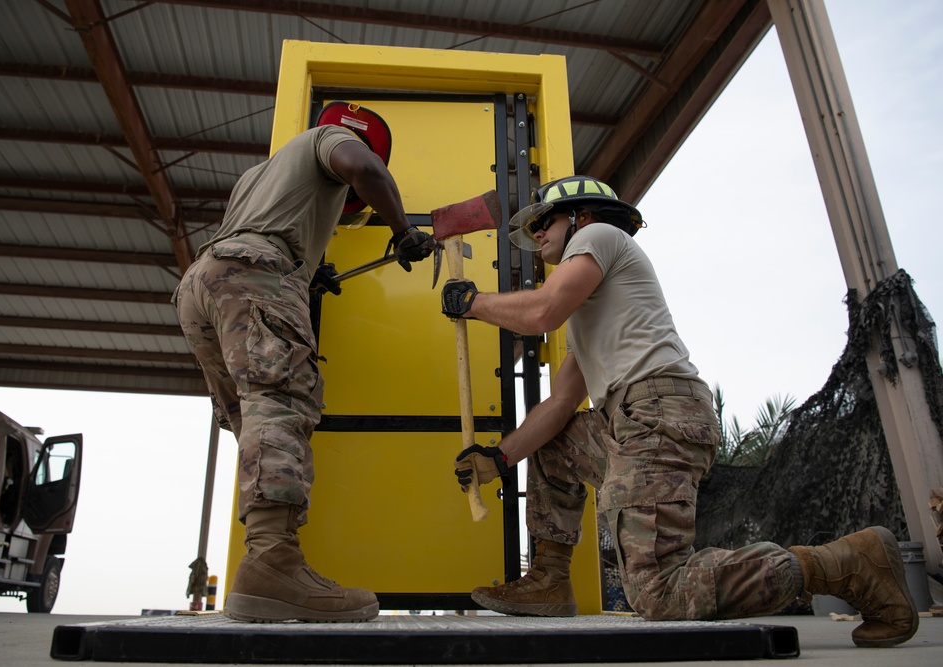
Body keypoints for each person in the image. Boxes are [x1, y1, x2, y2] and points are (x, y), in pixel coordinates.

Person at [440, 175, 919, 648]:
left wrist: (474, 303)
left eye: (546, 220)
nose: (539, 233)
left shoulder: (597, 236)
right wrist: (500, 459)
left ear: (581, 217)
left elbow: (542, 312)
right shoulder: (598, 312)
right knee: (557, 443)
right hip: (634, 421)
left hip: (658, 415)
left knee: (659, 593)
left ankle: (842, 562)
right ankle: (549, 578)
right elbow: (561, 403)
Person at [174, 101, 434, 623]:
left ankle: (262, 557)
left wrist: (310, 273)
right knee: (280, 408)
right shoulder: (331, 137)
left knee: (253, 419)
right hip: (255, 274)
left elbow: (263, 231)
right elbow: (366, 169)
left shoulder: (258, 176)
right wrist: (402, 229)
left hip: (201, 283)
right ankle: (273, 564)